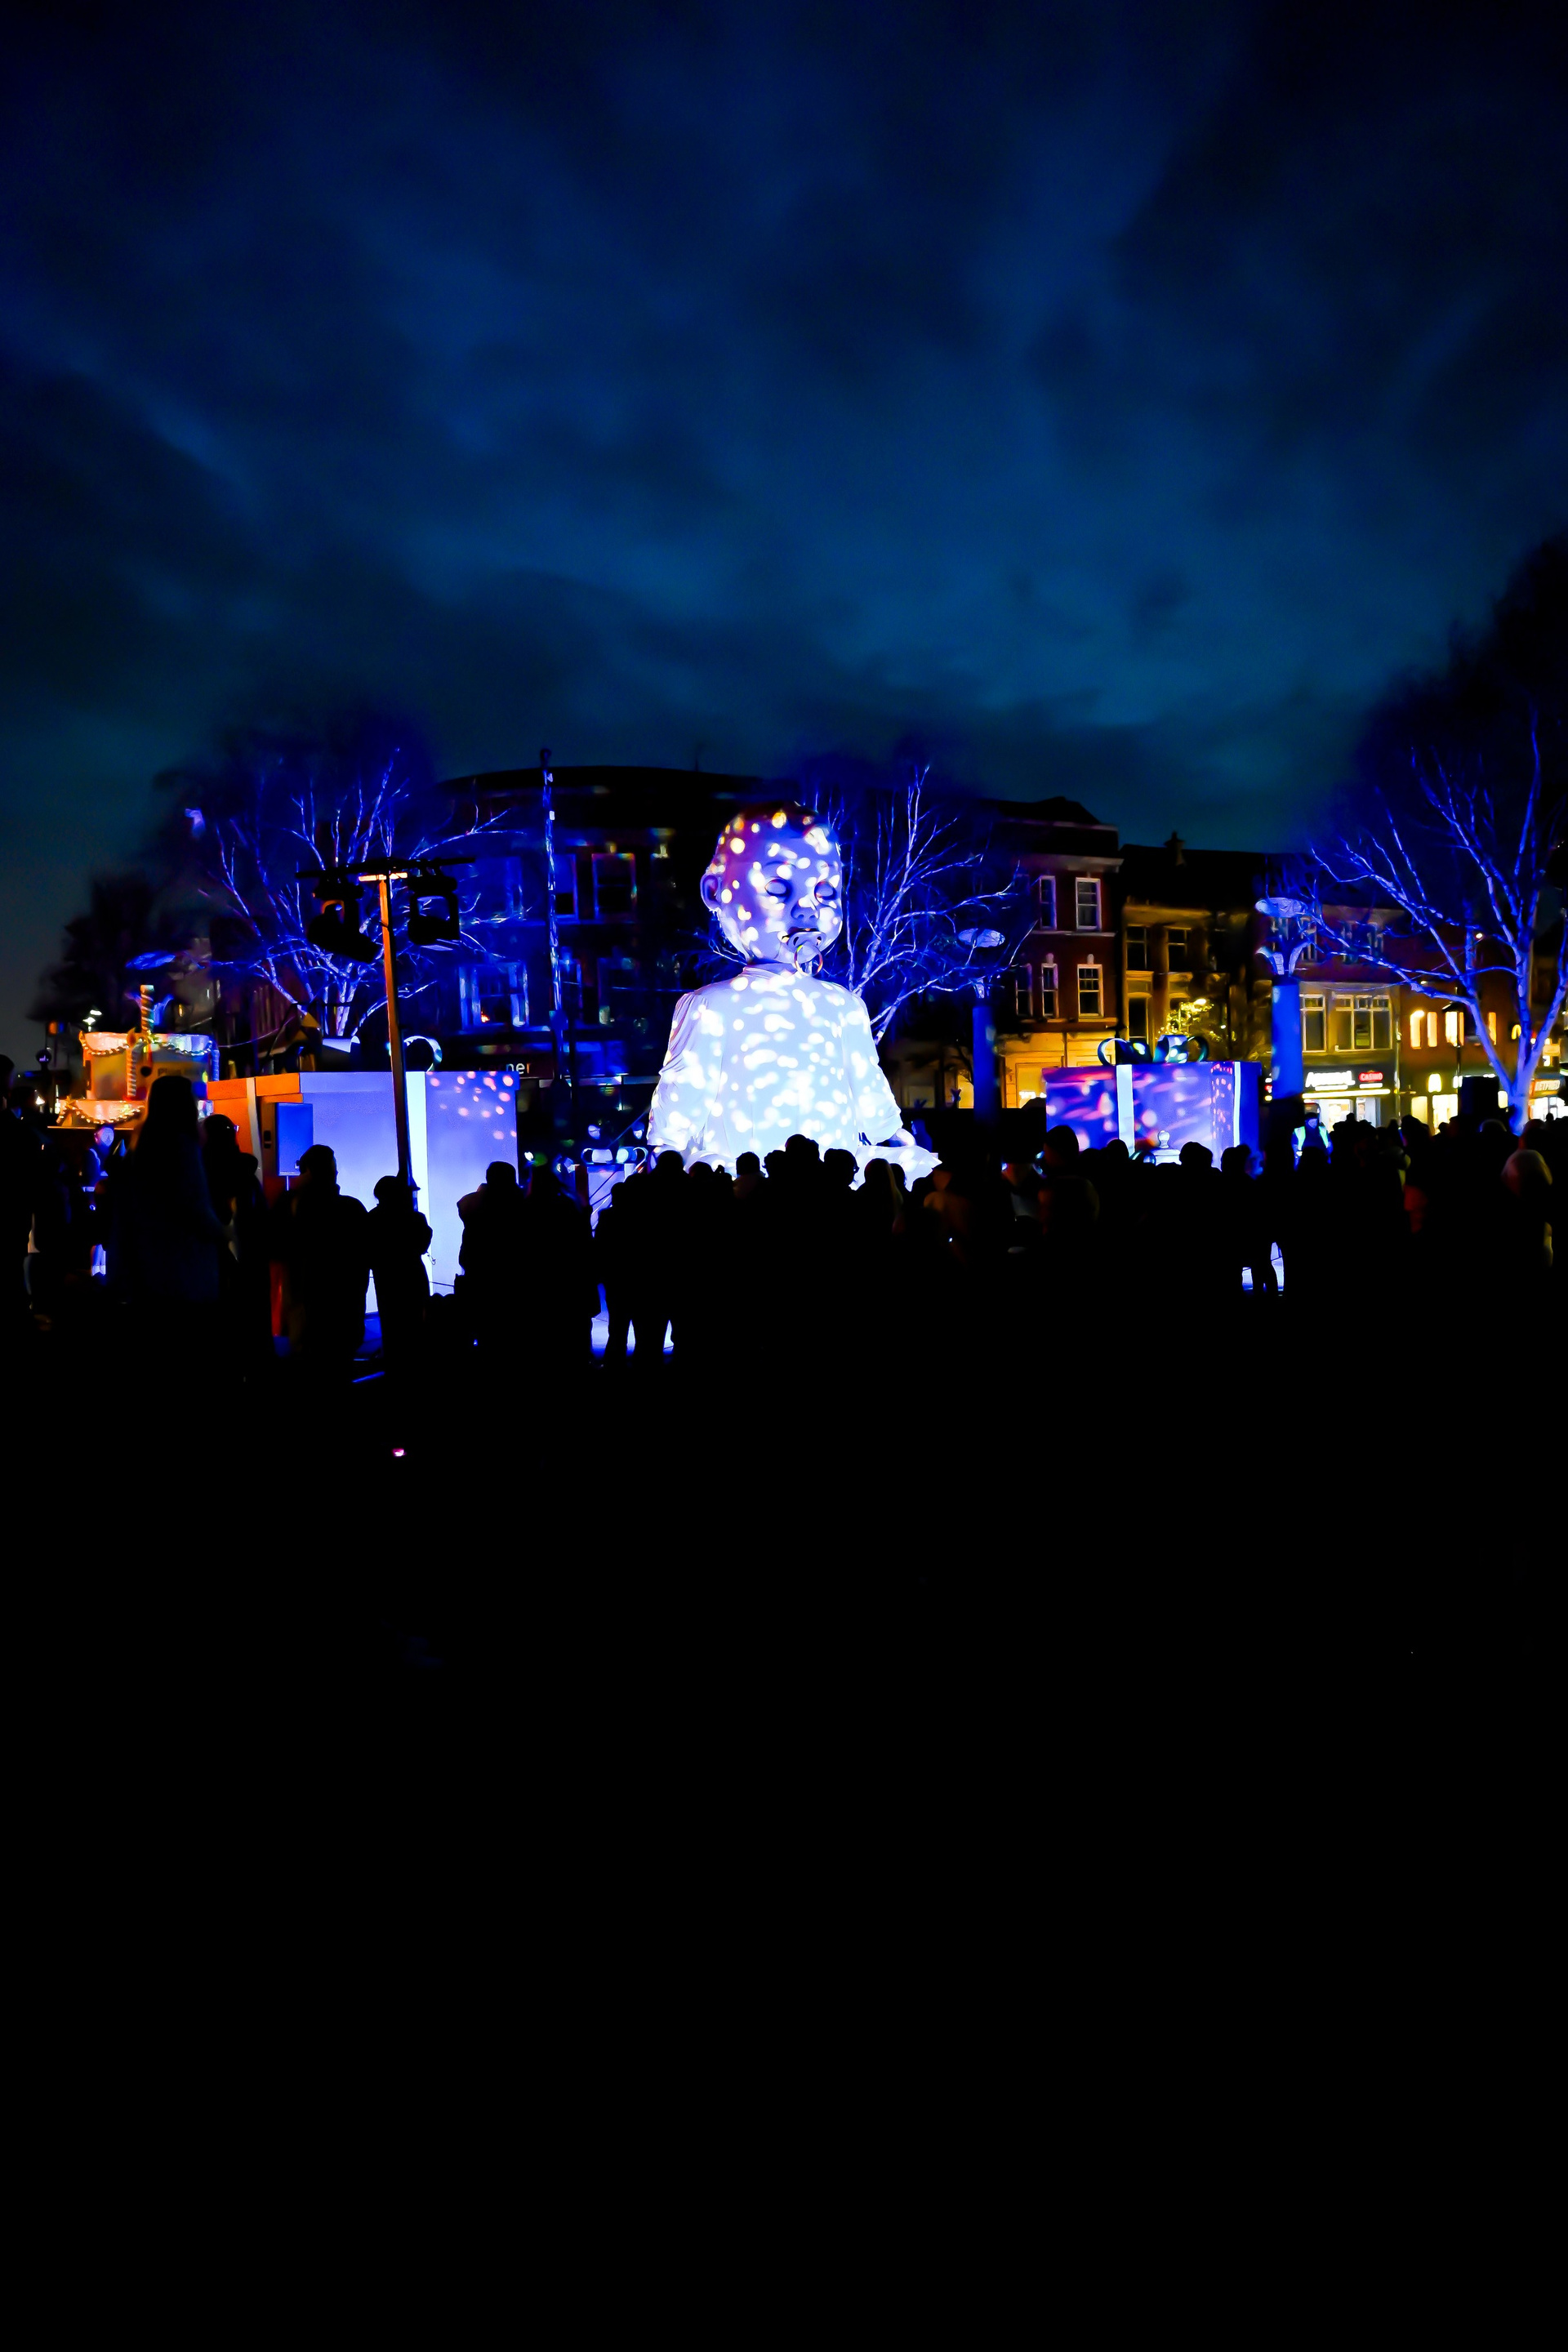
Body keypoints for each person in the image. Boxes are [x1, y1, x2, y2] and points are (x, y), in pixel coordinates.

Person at [646, 801, 937, 1183]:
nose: (807, 910)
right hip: (747, 1181)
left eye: (826, 892)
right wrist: (666, 1151)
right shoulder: (711, 1007)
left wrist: (898, 1141)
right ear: (715, 890)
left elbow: (870, 1091)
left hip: (835, 1179)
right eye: (778, 888)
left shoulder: (844, 1006)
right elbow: (682, 1097)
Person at [107, 1073, 228, 1372]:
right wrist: (225, 1232)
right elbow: (195, 1207)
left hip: (148, 1272)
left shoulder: (140, 1150)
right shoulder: (182, 1147)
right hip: (186, 1273)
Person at [268, 1142, 370, 1381]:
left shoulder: (293, 1206)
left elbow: (275, 1247)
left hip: (308, 1312)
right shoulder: (352, 1208)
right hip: (348, 1310)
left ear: (307, 1172)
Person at [366, 1176, 432, 1368]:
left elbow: (368, 1251)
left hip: (385, 1278)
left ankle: (394, 1364)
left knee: (391, 1322)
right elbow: (423, 1244)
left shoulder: (372, 1218)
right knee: (416, 1322)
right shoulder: (415, 1217)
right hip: (413, 1274)